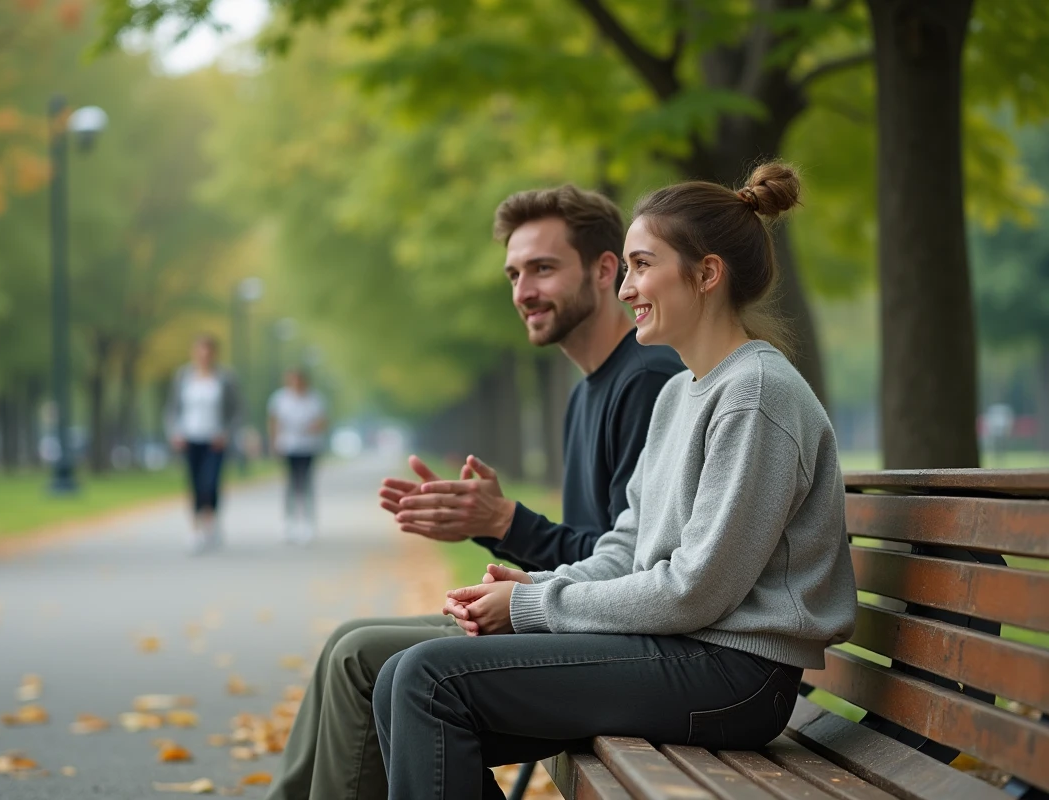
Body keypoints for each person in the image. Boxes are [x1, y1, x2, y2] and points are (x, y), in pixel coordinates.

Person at [372, 163, 860, 799]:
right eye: (627, 268)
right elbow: (627, 548)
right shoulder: (679, 393)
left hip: (737, 678)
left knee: (427, 682)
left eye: (641, 265)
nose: (626, 288)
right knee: (399, 681)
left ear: (707, 274)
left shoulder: (755, 396)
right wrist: (539, 583)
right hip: (689, 655)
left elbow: (694, 591)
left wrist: (531, 608)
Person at [265, 185, 684, 800]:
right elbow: (598, 552)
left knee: (361, 659)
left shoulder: (645, 380)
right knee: (347, 647)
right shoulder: (589, 388)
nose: (523, 291)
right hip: (577, 621)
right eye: (514, 274)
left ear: (604, 270)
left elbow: (637, 562)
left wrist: (506, 522)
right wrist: (496, 524)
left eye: (543, 268)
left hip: (613, 643)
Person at [165, 334, 242, 554]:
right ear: (194, 352)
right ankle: (195, 528)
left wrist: (226, 433)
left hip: (215, 440)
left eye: (208, 351)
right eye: (200, 351)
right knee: (194, 484)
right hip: (190, 438)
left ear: (214, 353)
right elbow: (172, 409)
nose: (204, 356)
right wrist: (175, 432)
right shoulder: (183, 376)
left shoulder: (225, 378)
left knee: (211, 483)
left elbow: (237, 410)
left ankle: (212, 524)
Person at [268, 368, 328, 543]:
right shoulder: (280, 399)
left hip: (308, 447)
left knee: (306, 483)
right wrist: (273, 442)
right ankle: (289, 522)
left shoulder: (314, 399)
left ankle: (308, 522)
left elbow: (322, 420)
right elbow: (274, 421)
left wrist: (312, 427)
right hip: (287, 447)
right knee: (290, 484)